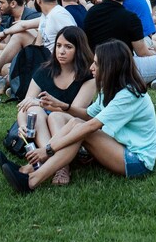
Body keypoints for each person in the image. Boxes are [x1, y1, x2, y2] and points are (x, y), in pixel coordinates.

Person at [0, 39, 156, 193]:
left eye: (96, 63)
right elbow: (88, 114)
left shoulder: (129, 95)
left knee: (81, 129)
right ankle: (27, 169)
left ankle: (32, 179)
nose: (91, 67)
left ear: (110, 67)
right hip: (118, 145)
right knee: (67, 119)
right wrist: (63, 106)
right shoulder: (110, 88)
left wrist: (48, 150)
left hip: (136, 161)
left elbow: (91, 125)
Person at [16, 26, 96, 186]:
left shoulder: (88, 76)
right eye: (58, 46)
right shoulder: (45, 70)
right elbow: (25, 105)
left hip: (70, 126)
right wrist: (23, 124)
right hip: (42, 128)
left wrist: (40, 102)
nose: (61, 51)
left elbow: (73, 111)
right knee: (33, 110)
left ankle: (60, 164)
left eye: (68, 47)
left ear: (79, 49)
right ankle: (55, 160)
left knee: (54, 115)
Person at [0, 0, 75, 78]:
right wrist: (4, 32)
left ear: (38, 0)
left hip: (54, 62)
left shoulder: (59, 15)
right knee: (6, 68)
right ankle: (1, 77)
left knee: (7, 68)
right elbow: (24, 25)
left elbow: (75, 38)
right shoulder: (48, 14)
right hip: (42, 56)